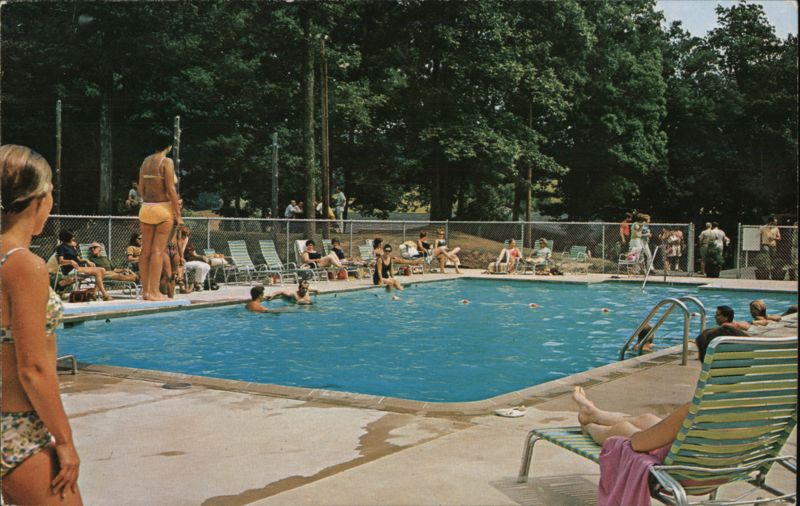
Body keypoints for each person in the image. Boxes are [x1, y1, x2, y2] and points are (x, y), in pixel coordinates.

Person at [0, 144, 82, 504]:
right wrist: (65, 442)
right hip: (15, 428)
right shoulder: (24, 266)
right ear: (39, 200)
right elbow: (32, 368)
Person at [138, 140, 182, 301]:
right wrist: (178, 214)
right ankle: (154, 292)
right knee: (158, 251)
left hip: (146, 208)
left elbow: (141, 187)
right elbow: (171, 188)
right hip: (162, 208)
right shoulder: (166, 161)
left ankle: (145, 291)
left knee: (145, 251)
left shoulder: (146, 162)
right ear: (169, 146)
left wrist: (147, 201)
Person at [55, 230, 112, 301]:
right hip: (69, 269)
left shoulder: (72, 247)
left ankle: (94, 293)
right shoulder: (61, 247)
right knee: (98, 271)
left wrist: (86, 260)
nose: (73, 238)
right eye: (72, 237)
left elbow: (78, 259)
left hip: (78, 267)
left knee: (102, 270)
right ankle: (104, 294)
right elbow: (60, 261)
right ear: (67, 238)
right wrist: (71, 261)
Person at [178, 228, 211, 292]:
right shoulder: (179, 242)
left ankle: (199, 283)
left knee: (207, 266)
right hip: (186, 261)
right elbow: (180, 252)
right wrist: (184, 242)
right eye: (185, 235)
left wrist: (202, 257)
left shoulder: (190, 243)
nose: (186, 236)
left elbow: (195, 254)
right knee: (200, 266)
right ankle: (197, 284)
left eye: (188, 235)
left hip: (193, 260)